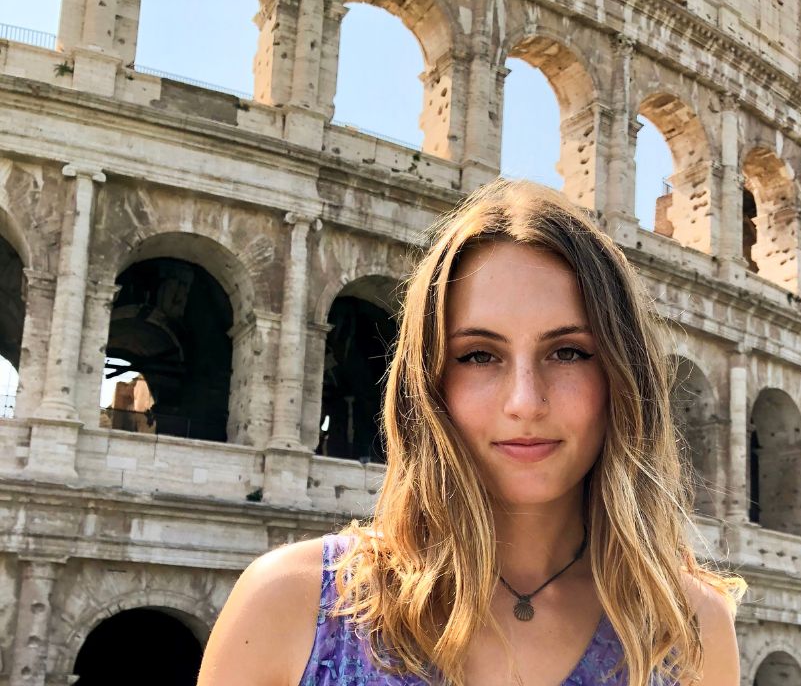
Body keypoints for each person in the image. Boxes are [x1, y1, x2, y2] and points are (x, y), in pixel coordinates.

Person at [197, 179, 746, 686]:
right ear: (429, 380)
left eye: (570, 352)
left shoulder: (692, 628)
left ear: (623, 379)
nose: (525, 402)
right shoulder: (287, 605)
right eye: (479, 355)